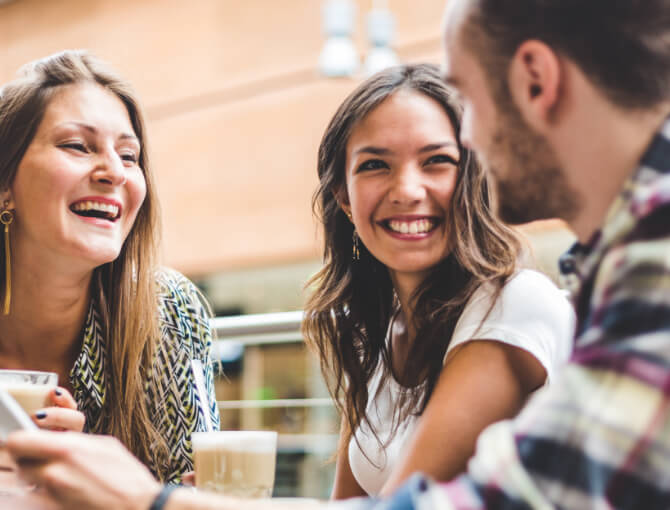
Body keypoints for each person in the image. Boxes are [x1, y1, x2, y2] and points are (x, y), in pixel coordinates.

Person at [9, 0, 670, 507]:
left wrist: (148, 497)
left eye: (462, 106)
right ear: (344, 199)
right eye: (376, 165)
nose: (467, 141)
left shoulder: (628, 271)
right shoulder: (388, 336)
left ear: (535, 80)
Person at [302, 63, 573, 498]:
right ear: (344, 198)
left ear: (474, 179)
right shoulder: (372, 333)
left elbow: (400, 506)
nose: (407, 190)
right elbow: (351, 504)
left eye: (437, 161)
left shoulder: (513, 305)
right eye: (375, 165)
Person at [0, 50, 219, 485]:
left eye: (130, 155)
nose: (114, 172)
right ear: (6, 185)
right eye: (78, 146)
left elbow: (196, 490)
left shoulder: (169, 310)